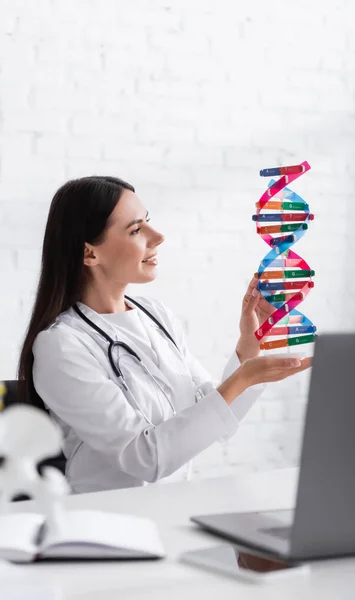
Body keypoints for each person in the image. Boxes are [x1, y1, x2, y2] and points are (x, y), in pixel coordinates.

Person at [18, 176, 311, 494]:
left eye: (148, 222)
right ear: (90, 254)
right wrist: (243, 379)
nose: (157, 237)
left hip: (170, 508)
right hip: (105, 522)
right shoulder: (60, 346)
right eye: (135, 230)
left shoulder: (155, 315)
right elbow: (145, 458)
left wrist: (248, 348)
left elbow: (212, 421)